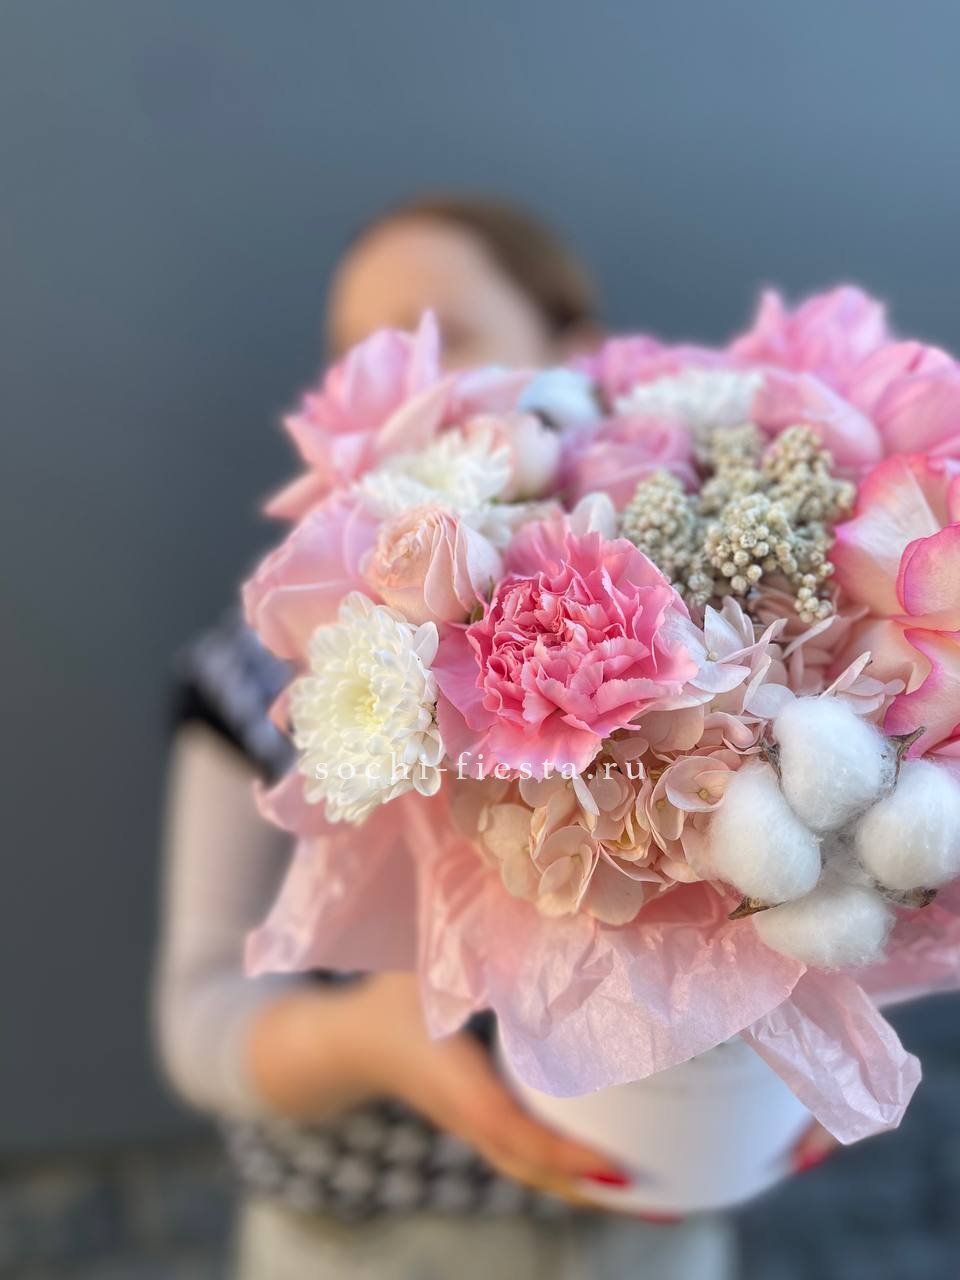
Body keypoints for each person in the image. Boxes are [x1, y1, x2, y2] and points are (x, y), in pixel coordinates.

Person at [154, 195, 738, 1279]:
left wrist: (778, 1079)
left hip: (638, 1234)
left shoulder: (718, 624)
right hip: (360, 1244)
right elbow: (200, 1018)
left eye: (445, 336)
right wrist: (371, 1042)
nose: (402, 384)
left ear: (573, 355)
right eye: (360, 355)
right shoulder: (263, 664)